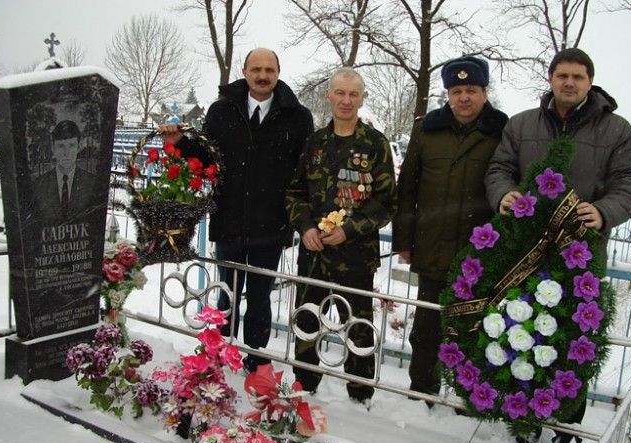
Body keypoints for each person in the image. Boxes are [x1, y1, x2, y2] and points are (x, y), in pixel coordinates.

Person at [485, 48, 631, 443]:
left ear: (590, 82)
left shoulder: (616, 130)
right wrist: (505, 194)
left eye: (578, 76)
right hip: (526, 253)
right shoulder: (522, 125)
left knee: (571, 344)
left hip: (580, 259)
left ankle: (567, 429)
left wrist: (605, 210)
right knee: (523, 335)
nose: (569, 83)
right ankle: (525, 420)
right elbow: (499, 168)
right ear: (551, 78)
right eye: (562, 76)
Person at [160, 48, 314, 373]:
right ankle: (219, 354)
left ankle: (256, 359)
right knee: (225, 294)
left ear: (278, 72)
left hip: (270, 226)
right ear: (245, 71)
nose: (262, 75)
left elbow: (306, 170)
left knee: (260, 298)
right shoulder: (221, 111)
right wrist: (179, 143)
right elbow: (204, 154)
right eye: (256, 68)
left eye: (269, 69)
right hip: (229, 220)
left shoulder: (297, 117)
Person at [392, 56, 508, 402]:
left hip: (480, 255)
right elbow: (407, 189)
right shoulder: (427, 130)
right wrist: (404, 240)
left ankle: (467, 400)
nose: (464, 98)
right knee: (426, 329)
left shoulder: (502, 132)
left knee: (474, 332)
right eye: (457, 91)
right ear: (448, 94)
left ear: (484, 92)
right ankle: (421, 394)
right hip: (432, 248)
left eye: (471, 90)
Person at [285, 67, 397, 405]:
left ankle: (360, 391)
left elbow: (386, 203)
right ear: (329, 95)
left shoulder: (375, 144)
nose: (346, 100)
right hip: (314, 251)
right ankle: (304, 382)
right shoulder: (314, 143)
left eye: (354, 94)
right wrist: (304, 228)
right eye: (340, 93)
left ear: (362, 99)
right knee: (307, 316)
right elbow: (294, 192)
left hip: (355, 255)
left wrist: (349, 229)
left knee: (358, 323)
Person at [36, 119, 99, 222]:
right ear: (53, 148)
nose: (66, 153)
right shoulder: (39, 185)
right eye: (61, 146)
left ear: (78, 147)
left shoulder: (92, 183)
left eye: (71, 145)